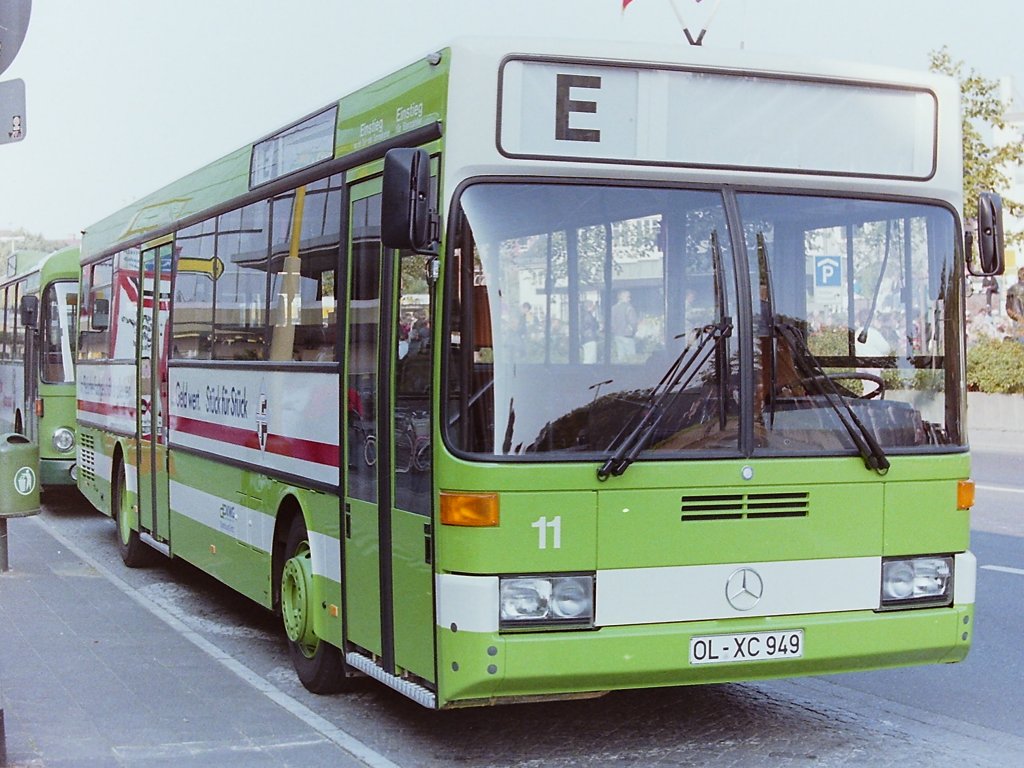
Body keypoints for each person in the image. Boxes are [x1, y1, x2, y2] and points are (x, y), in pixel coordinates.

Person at [610, 290, 638, 360]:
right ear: (621, 297)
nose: (629, 299)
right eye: (628, 297)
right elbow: (633, 322)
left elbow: (611, 322)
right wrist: (634, 331)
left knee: (621, 357)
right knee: (631, 358)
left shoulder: (613, 308)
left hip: (617, 335)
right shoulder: (628, 308)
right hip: (627, 334)